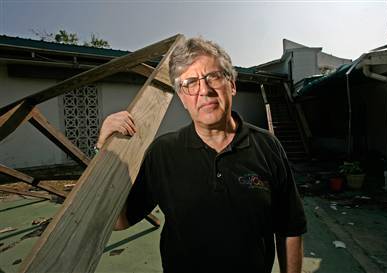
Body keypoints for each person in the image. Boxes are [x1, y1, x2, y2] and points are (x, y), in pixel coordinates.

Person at [96, 37, 307, 273]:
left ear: (232, 85)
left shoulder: (268, 146)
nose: (204, 91)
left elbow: (290, 227)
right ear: (182, 99)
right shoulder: (163, 153)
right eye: (190, 83)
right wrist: (104, 151)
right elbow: (119, 221)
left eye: (213, 77)